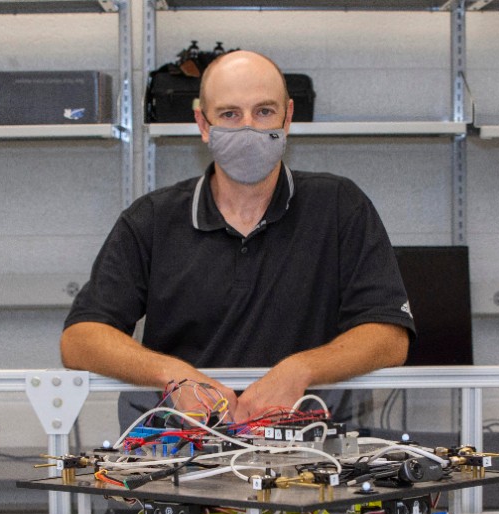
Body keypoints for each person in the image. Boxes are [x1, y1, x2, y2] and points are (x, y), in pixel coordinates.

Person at [61, 50, 414, 425]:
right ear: (203, 123)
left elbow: (390, 337)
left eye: (264, 111)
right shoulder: (151, 220)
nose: (249, 128)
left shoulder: (340, 207)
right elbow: (80, 338)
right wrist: (173, 375)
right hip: (185, 454)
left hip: (311, 455)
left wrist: (300, 370)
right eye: (230, 114)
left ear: (288, 117)